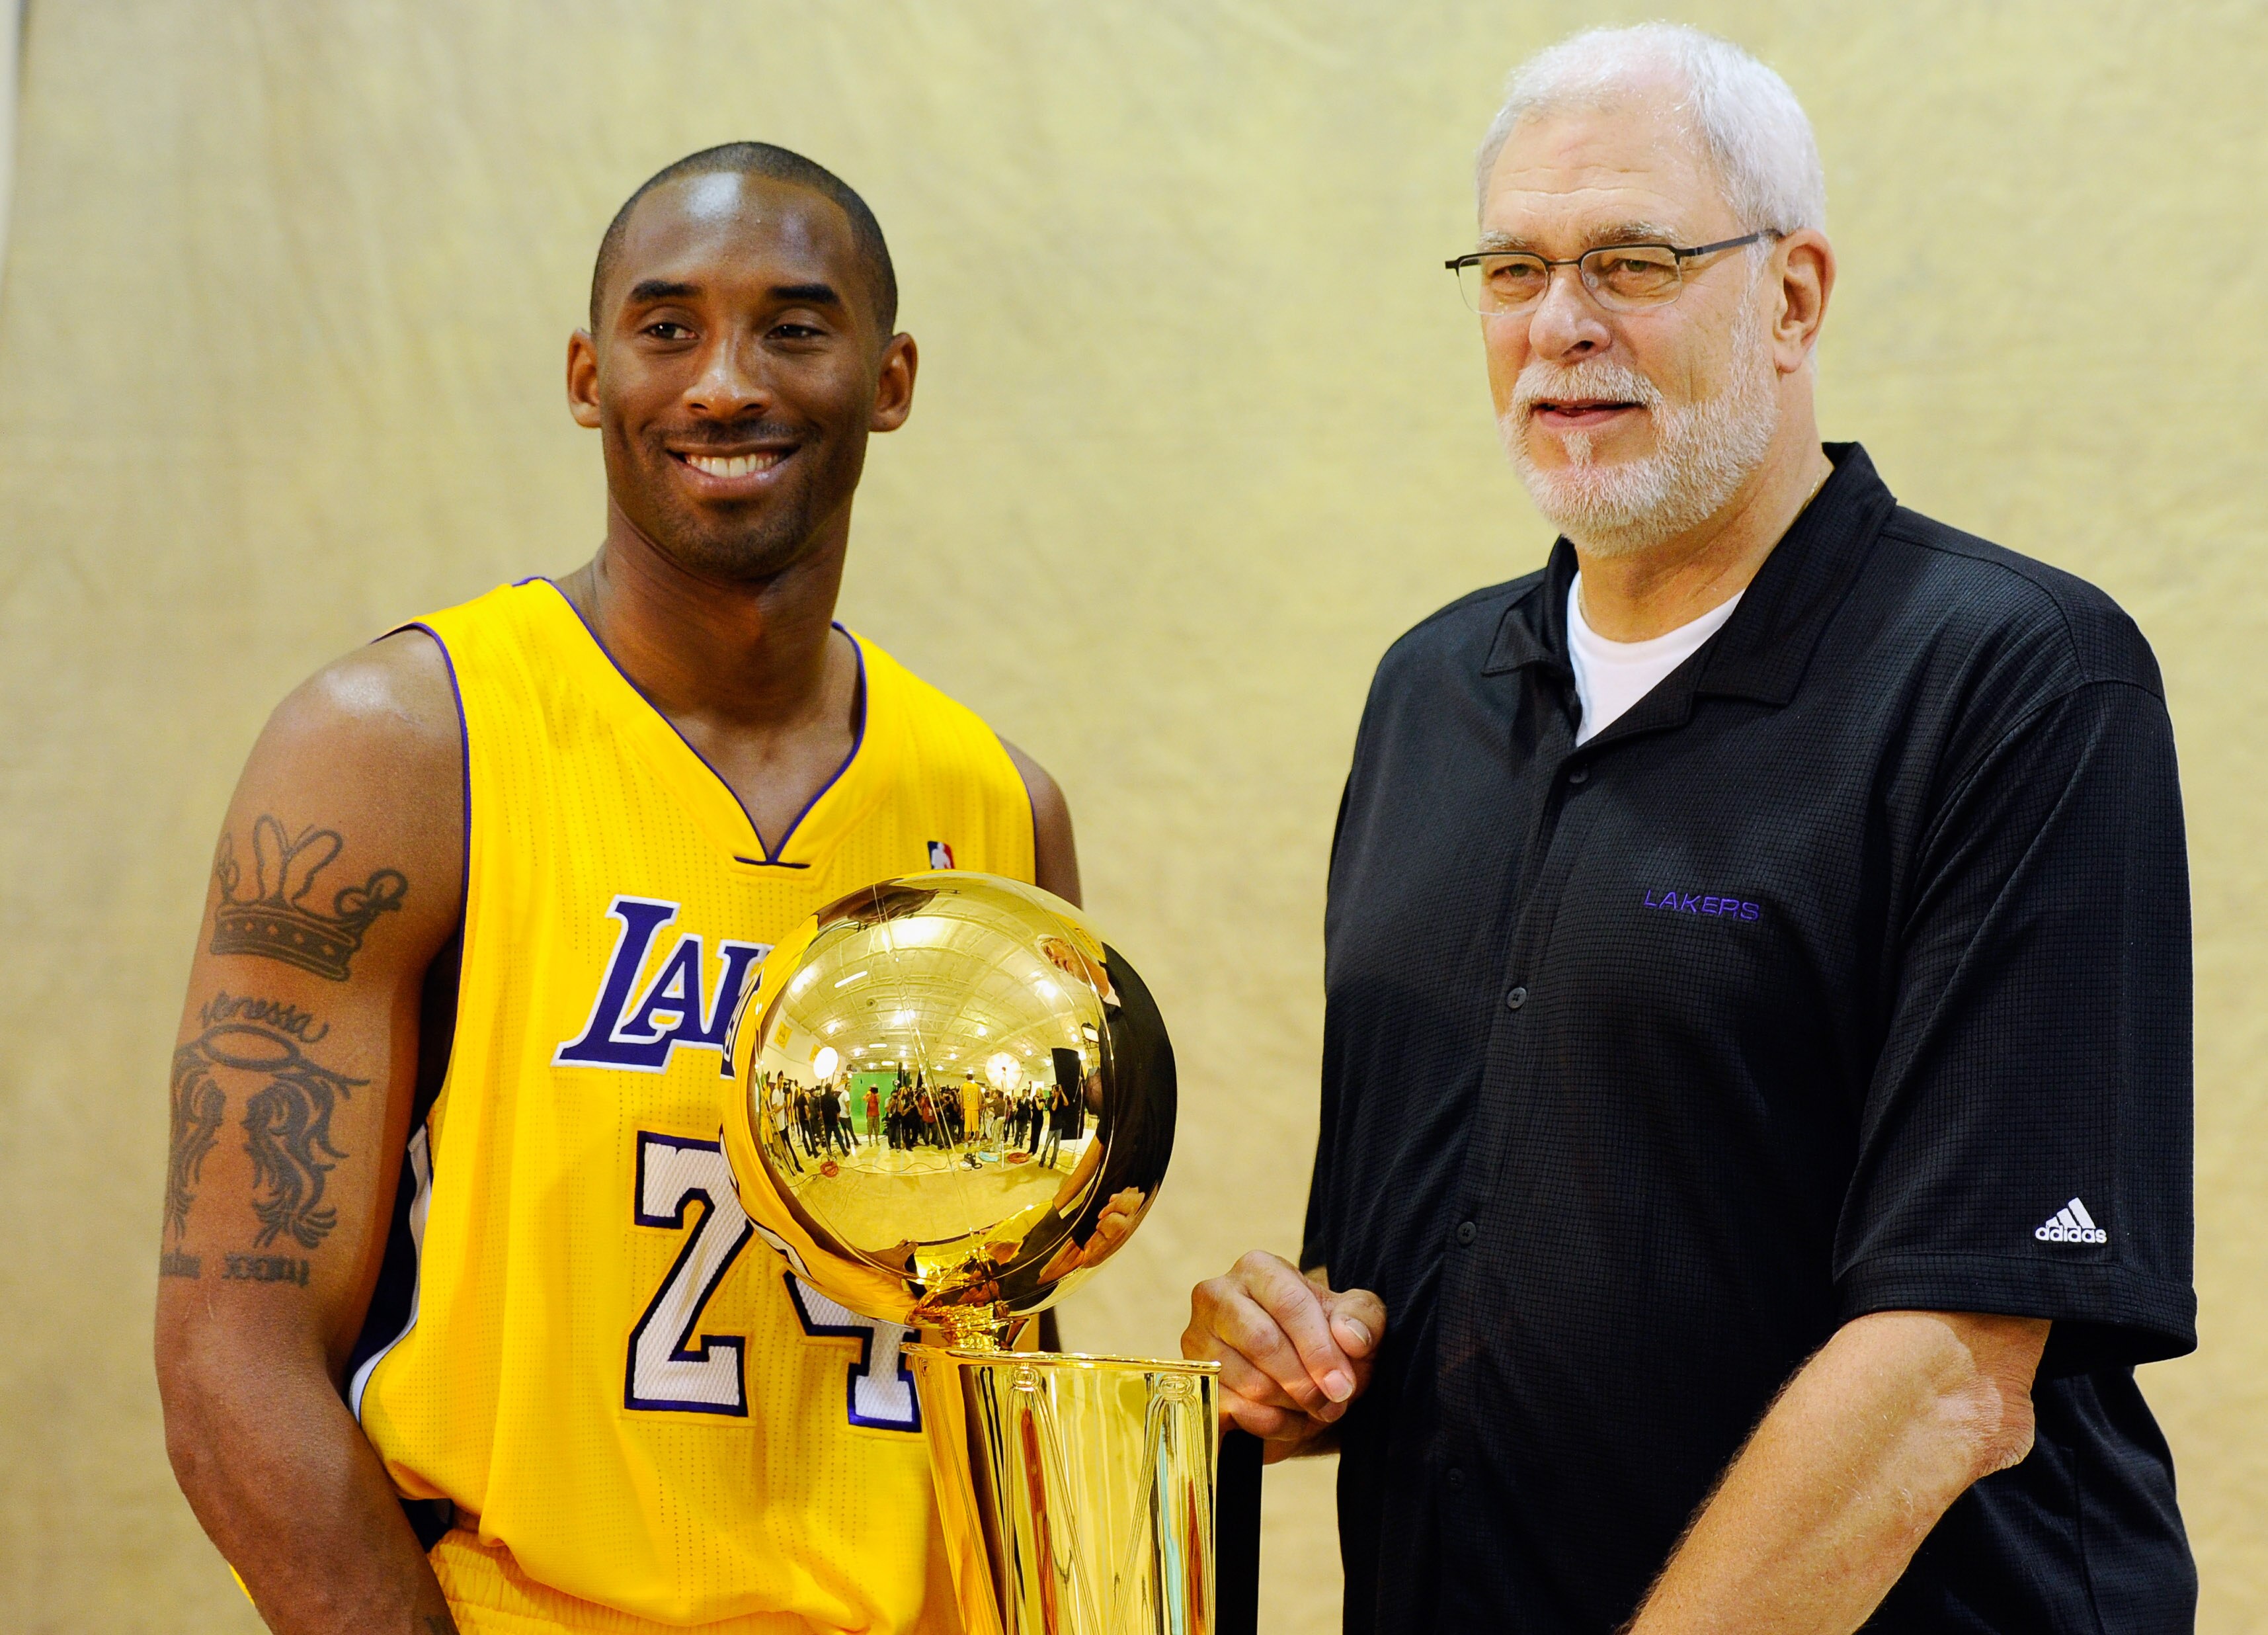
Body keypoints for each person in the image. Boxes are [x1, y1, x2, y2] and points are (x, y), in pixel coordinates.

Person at [1184, 25, 2193, 1634]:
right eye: (1511, 269)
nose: (1560, 327)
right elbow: (1471, 1260)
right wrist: (1305, 1344)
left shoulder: (2011, 678)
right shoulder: (1427, 694)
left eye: (1631, 260)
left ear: (1792, 297)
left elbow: (1955, 1369)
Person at [155, 142, 1084, 1635]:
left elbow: (997, 1348)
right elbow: (231, 1356)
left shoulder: (997, 811)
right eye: (668, 328)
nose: (725, 383)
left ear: (890, 376)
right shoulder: (399, 748)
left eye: (794, 323)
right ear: (589, 376)